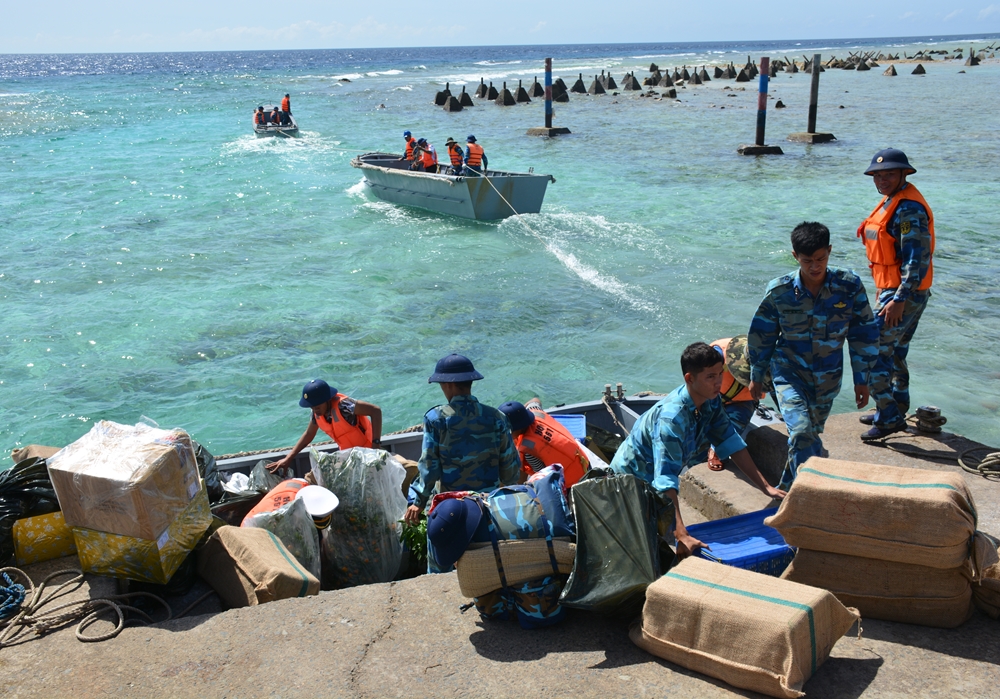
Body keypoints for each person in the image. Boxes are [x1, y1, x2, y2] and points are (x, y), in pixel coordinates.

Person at [610, 342, 785, 557]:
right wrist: (681, 533)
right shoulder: (672, 420)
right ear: (689, 379)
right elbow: (665, 478)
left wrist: (766, 487)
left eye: (720, 374)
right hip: (627, 482)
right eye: (710, 377)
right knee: (635, 549)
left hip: (652, 480)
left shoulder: (711, 401)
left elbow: (730, 441)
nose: (718, 382)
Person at [748, 222, 880, 489]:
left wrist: (862, 379)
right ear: (795, 256)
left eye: (821, 259)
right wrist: (757, 376)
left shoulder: (849, 286)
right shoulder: (779, 291)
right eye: (807, 260)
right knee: (800, 430)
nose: (815, 266)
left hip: (828, 378)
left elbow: (863, 334)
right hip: (788, 372)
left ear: (830, 251)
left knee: (808, 437)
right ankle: (801, 499)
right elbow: (762, 336)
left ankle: (787, 490)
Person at [856, 148, 935, 440]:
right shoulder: (894, 202)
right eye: (877, 175)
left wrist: (899, 299)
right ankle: (896, 407)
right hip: (900, 290)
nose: (882, 180)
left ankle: (889, 417)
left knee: (872, 354)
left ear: (904, 174)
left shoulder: (908, 210)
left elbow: (917, 259)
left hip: (903, 293)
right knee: (897, 351)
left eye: (889, 174)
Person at [403, 354, 519, 527]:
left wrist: (418, 503)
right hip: (489, 503)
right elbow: (510, 467)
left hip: (450, 505)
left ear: (448, 384)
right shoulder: (497, 417)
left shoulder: (435, 419)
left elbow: (429, 467)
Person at [267, 379, 383, 473]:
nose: (314, 410)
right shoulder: (317, 414)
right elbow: (309, 433)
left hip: (369, 453)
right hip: (348, 458)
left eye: (317, 406)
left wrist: (375, 447)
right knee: (312, 477)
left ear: (327, 400)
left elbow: (375, 411)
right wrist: (289, 458)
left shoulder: (345, 405)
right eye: (312, 407)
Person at [498, 399, 590, 488]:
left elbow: (544, 477)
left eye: (506, 430)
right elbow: (535, 400)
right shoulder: (535, 411)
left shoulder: (530, 450)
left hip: (574, 481)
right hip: (583, 462)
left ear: (517, 429)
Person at [705, 335, 762, 471]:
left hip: (741, 401)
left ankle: (717, 450)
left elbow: (778, 393)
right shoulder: (718, 354)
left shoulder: (772, 366)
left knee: (737, 421)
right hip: (712, 395)